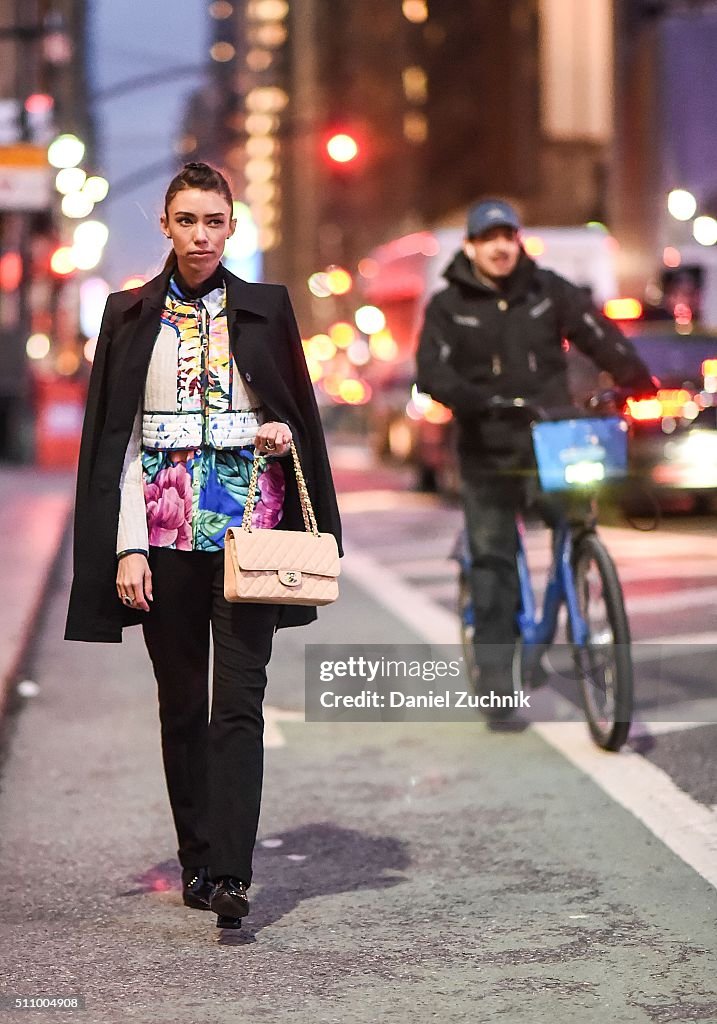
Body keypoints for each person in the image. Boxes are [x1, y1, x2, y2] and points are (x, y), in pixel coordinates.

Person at [65, 162, 342, 928]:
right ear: (165, 225)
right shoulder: (128, 314)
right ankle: (194, 859)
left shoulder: (265, 308)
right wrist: (127, 548)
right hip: (161, 537)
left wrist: (279, 432)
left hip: (251, 535)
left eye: (212, 221)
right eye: (186, 221)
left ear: (231, 227)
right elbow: (117, 444)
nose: (199, 235)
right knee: (182, 705)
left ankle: (231, 875)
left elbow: (295, 411)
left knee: (239, 705)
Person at [416, 199, 653, 709]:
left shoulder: (548, 290)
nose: (501, 247)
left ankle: (578, 578)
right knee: (494, 560)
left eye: (509, 236)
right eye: (490, 238)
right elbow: (432, 372)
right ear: (472, 246)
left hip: (553, 439)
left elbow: (596, 333)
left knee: (578, 522)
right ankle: (498, 679)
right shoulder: (448, 305)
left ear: (518, 240)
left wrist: (636, 377)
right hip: (487, 447)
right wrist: (475, 401)